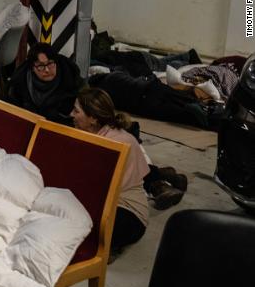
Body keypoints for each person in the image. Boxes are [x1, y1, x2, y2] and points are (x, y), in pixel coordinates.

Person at [70, 88, 187, 255]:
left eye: (76, 111)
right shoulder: (88, 135)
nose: (71, 114)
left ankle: (162, 180)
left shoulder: (116, 142)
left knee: (85, 228)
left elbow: (96, 188)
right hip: (101, 203)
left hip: (128, 212)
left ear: (93, 118)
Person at [9, 43, 83, 124]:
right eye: (41, 66)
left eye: (50, 63)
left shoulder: (72, 80)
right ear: (32, 68)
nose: (47, 70)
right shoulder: (19, 83)